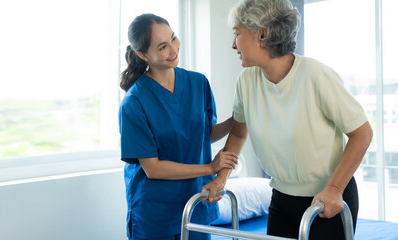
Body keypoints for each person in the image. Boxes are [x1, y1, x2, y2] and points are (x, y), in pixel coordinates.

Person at [202, 0, 373, 239]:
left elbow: (362, 133)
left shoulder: (316, 76)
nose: (233, 44)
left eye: (237, 33)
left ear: (262, 34)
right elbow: (239, 133)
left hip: (327, 197)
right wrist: (221, 179)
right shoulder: (246, 81)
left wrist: (334, 189)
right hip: (281, 197)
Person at [118, 13, 238, 240]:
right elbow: (153, 168)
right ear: (143, 55)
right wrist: (210, 169)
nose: (174, 50)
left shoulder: (198, 82)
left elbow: (204, 134)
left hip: (194, 202)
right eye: (163, 47)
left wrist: (236, 119)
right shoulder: (135, 102)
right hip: (155, 212)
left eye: (174, 38)